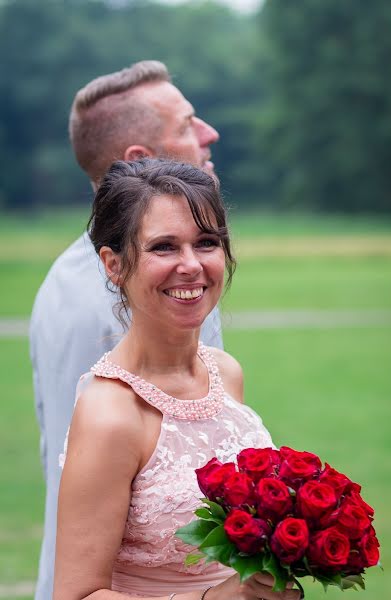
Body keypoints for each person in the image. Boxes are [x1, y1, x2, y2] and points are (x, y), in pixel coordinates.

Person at [54, 158, 299, 600]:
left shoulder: (226, 372)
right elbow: (76, 594)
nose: (191, 266)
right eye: (164, 247)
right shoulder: (110, 413)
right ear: (114, 264)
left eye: (206, 242)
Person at [30, 61, 223, 600]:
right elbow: (94, 512)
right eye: (186, 124)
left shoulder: (154, 278)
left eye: (207, 244)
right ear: (141, 161)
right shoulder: (107, 304)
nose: (209, 133)